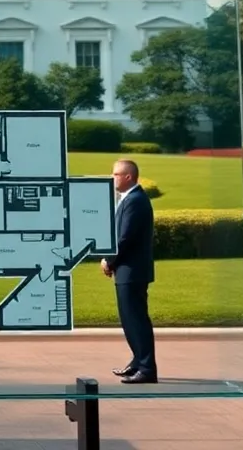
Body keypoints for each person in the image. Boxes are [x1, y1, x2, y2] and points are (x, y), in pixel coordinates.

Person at [101, 158, 157, 384]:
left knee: (136, 320)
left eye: (115, 174)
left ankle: (146, 368)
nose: (112, 178)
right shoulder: (129, 199)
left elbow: (125, 238)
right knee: (130, 319)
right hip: (128, 271)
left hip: (131, 271)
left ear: (128, 177)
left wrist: (109, 260)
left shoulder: (135, 201)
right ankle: (138, 362)